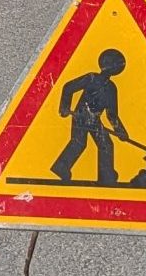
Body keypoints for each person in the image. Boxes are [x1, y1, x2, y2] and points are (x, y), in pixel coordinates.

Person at [50, 48, 130, 185]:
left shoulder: (111, 88)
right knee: (79, 143)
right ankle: (61, 167)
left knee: (106, 144)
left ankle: (106, 176)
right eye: (111, 64)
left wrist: (120, 131)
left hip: (95, 119)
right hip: (80, 115)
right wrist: (64, 107)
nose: (111, 68)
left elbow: (111, 113)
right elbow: (68, 87)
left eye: (115, 65)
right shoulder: (91, 78)